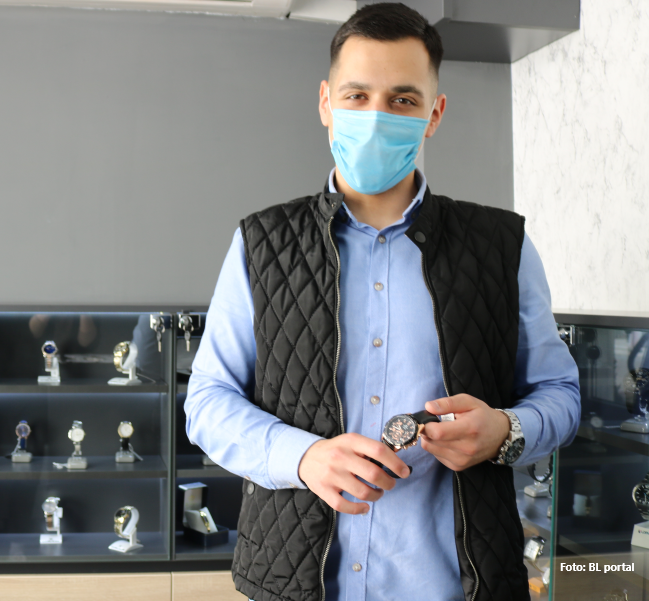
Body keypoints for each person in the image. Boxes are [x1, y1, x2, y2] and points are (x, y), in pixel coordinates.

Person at [184, 3, 580, 601]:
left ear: (433, 114)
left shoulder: (503, 246)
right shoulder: (260, 243)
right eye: (356, 95)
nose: (375, 117)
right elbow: (208, 400)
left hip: (459, 585)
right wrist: (303, 457)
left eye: (402, 100)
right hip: (296, 583)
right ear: (326, 103)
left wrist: (505, 429)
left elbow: (562, 394)